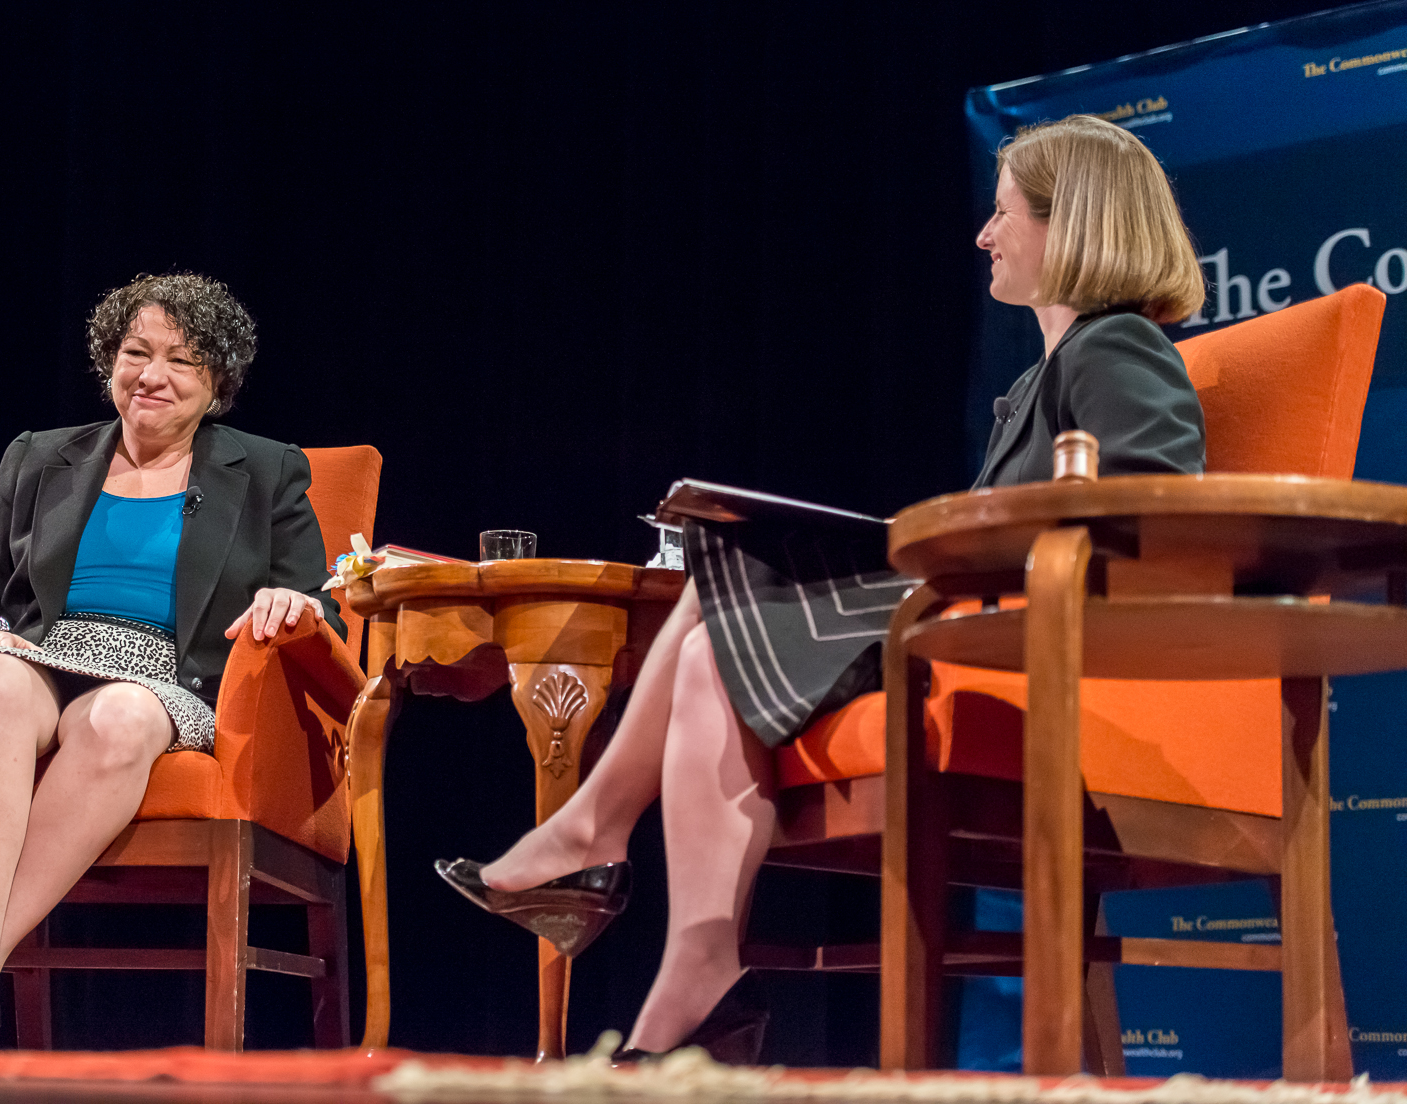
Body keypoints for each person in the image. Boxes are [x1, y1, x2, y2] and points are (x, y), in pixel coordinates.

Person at [436, 114, 1208, 1062]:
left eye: (1003, 213)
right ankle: (674, 939)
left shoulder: (1117, 346)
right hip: (967, 620)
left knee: (727, 593)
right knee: (722, 575)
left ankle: (610, 861)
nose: (983, 235)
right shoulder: (1042, 376)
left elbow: (1153, 518)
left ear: (1071, 224)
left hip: (1021, 643)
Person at [0, 272, 342, 1051]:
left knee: (120, 716)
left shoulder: (266, 470)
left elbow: (314, 604)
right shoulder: (40, 457)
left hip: (169, 679)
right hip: (43, 658)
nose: (152, 375)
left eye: (182, 361)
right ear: (108, 362)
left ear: (218, 380)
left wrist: (288, 607)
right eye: (135, 352)